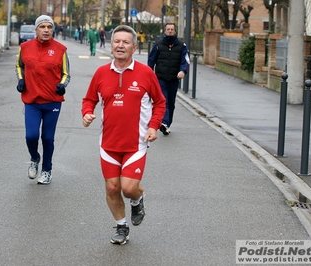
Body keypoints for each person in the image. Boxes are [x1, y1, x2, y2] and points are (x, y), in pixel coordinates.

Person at [81, 25, 166, 245]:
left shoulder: (146, 73)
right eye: (116, 41)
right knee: (112, 187)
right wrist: (87, 113)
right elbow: (89, 99)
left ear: (134, 48)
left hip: (136, 143)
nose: (120, 45)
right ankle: (121, 226)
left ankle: (138, 199)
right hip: (108, 143)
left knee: (128, 188)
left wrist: (153, 126)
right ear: (111, 45)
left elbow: (160, 102)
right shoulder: (101, 73)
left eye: (125, 42)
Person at [15, 15, 71, 184]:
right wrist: (20, 79)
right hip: (32, 100)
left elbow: (66, 73)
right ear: (36, 29)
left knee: (47, 138)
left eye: (49, 27)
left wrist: (62, 85)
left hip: (52, 101)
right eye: (42, 27)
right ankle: (34, 158)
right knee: (31, 136)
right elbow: (19, 65)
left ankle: (47, 170)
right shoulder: (25, 47)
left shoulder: (60, 49)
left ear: (52, 29)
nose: (46, 30)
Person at [148, 23, 190, 135]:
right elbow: (151, 60)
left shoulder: (182, 46)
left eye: (172, 29)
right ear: (165, 31)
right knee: (164, 100)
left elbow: (185, 60)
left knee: (171, 102)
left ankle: (167, 124)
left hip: (174, 78)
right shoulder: (158, 45)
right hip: (160, 78)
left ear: (175, 31)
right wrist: (148, 73)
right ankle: (164, 123)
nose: (170, 31)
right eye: (168, 29)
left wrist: (183, 71)